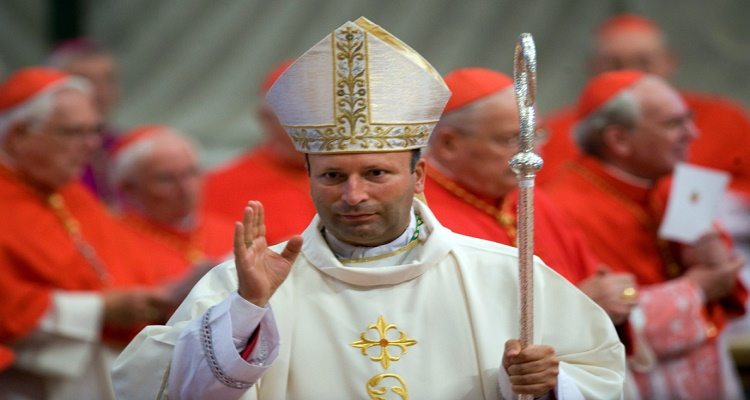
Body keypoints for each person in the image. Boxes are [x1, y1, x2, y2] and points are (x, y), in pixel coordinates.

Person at [112, 17, 625, 399]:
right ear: (309, 179)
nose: (353, 195)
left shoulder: (503, 276)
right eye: (333, 176)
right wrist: (246, 312)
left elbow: (604, 378)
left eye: (376, 173)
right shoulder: (247, 286)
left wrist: (556, 385)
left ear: (418, 176)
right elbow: (151, 390)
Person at [546, 70, 747, 399]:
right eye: (674, 124)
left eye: (689, 119)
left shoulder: (670, 184)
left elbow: (726, 285)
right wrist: (698, 289)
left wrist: (714, 259)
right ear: (618, 140)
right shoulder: (562, 208)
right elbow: (591, 326)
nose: (693, 133)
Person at [0, 67, 172, 399]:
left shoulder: (71, 192)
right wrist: (99, 311)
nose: (91, 146)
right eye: (74, 132)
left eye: (95, 131)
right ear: (19, 134)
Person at [425, 67, 638, 330]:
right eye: (512, 139)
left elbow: (598, 285)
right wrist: (577, 308)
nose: (533, 155)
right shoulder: (422, 219)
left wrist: (616, 297)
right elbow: (459, 330)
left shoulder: (532, 197)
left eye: (535, 135)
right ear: (448, 143)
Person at [538, 13, 750, 194]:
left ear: (670, 62)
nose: (631, 74)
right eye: (614, 64)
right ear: (591, 67)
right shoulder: (554, 132)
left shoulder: (726, 120)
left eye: (644, 62)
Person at [202, 60, 316, 245]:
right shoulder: (218, 187)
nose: (304, 131)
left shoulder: (360, 174)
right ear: (263, 116)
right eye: (290, 118)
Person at [110, 124, 234, 282]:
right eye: (166, 179)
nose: (185, 188)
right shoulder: (115, 241)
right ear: (130, 189)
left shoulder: (230, 232)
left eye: (190, 173)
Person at [47, 37, 122, 202]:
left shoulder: (123, 144)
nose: (101, 91)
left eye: (108, 79)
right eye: (86, 81)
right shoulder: (44, 150)